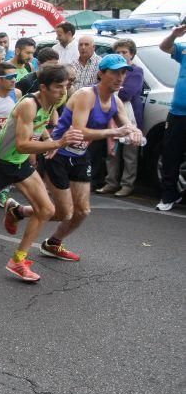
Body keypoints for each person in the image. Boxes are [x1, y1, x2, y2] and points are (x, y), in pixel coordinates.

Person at [0, 64, 82, 282]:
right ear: (44, 87)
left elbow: (41, 124)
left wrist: (47, 139)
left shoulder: (55, 100)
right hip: (0, 162)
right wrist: (58, 142)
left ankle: (18, 259)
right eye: (58, 87)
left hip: (20, 165)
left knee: (46, 209)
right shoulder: (29, 104)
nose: (63, 91)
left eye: (66, 86)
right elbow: (22, 145)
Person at [38, 54, 143, 260]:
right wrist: (113, 132)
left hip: (80, 156)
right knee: (62, 212)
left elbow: (126, 124)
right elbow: (80, 131)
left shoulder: (116, 101)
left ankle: (53, 243)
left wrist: (134, 132)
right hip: (58, 154)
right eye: (114, 72)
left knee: (83, 211)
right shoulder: (86, 95)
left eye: (123, 73)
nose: (120, 77)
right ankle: (20, 212)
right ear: (101, 74)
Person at [98, 39, 145, 197]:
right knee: (112, 152)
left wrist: (113, 89)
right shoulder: (109, 71)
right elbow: (103, 88)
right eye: (117, 52)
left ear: (131, 54)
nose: (121, 55)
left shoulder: (136, 71)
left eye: (124, 52)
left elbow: (126, 93)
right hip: (112, 117)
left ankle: (127, 184)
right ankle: (111, 182)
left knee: (129, 154)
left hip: (131, 118)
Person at [156, 23, 186, 211]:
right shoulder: (183, 50)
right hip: (177, 113)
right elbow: (164, 47)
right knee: (170, 155)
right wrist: (174, 35)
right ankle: (169, 196)